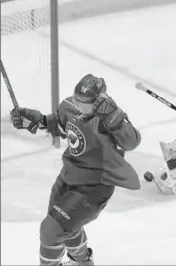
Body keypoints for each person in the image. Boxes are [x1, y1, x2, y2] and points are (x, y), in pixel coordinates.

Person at [10, 74, 141, 266]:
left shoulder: (109, 117)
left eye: (85, 103)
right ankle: (83, 261)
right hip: (67, 178)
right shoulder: (69, 106)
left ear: (99, 101)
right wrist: (34, 120)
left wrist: (115, 119)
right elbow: (61, 125)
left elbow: (131, 142)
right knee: (63, 227)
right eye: (77, 100)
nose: (80, 106)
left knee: (51, 229)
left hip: (94, 188)